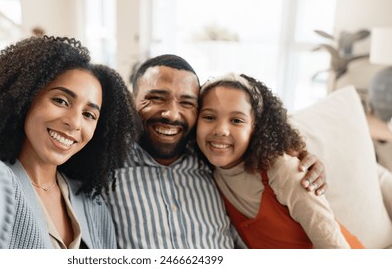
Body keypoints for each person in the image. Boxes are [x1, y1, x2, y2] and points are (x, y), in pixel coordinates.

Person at [105, 54, 327, 249]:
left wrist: (300, 156)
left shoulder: (213, 162)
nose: (172, 114)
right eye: (156, 98)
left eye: (187, 103)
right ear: (131, 101)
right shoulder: (105, 165)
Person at [0, 35, 138, 248]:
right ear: (25, 98)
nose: (74, 123)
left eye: (89, 115)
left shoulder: (93, 205)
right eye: (61, 101)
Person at [195, 72, 364, 248]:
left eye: (237, 120)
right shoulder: (205, 168)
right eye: (209, 117)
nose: (221, 130)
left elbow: (335, 248)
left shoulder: (284, 170)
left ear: (256, 128)